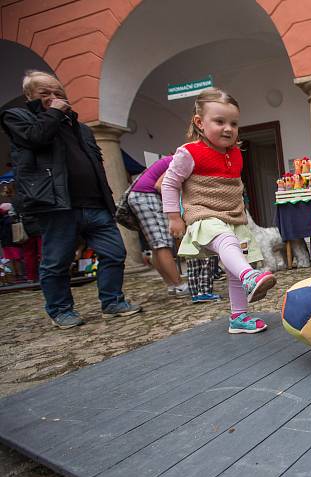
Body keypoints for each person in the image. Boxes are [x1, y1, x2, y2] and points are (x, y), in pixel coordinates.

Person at [1, 70, 141, 328]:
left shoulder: (80, 129)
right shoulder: (18, 117)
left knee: (114, 253)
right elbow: (36, 138)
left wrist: (107, 199)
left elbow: (95, 165)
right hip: (57, 206)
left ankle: (112, 302)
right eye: (45, 94)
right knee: (56, 262)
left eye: (58, 93)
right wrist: (53, 112)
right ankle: (61, 310)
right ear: (29, 96)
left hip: (95, 204)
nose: (54, 98)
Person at [161, 87, 275, 334]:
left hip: (233, 216)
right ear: (199, 122)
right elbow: (169, 183)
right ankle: (250, 276)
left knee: (235, 263)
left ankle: (239, 317)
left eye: (234, 123)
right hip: (203, 214)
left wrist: (242, 209)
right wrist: (174, 216)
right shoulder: (189, 153)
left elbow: (234, 185)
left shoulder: (236, 153)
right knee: (227, 243)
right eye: (219, 121)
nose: (228, 128)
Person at [128, 155, 190, 296]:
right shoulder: (182, 161)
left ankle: (172, 285)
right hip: (147, 196)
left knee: (156, 246)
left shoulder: (176, 158)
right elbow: (161, 185)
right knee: (162, 244)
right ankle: (180, 285)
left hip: (141, 196)